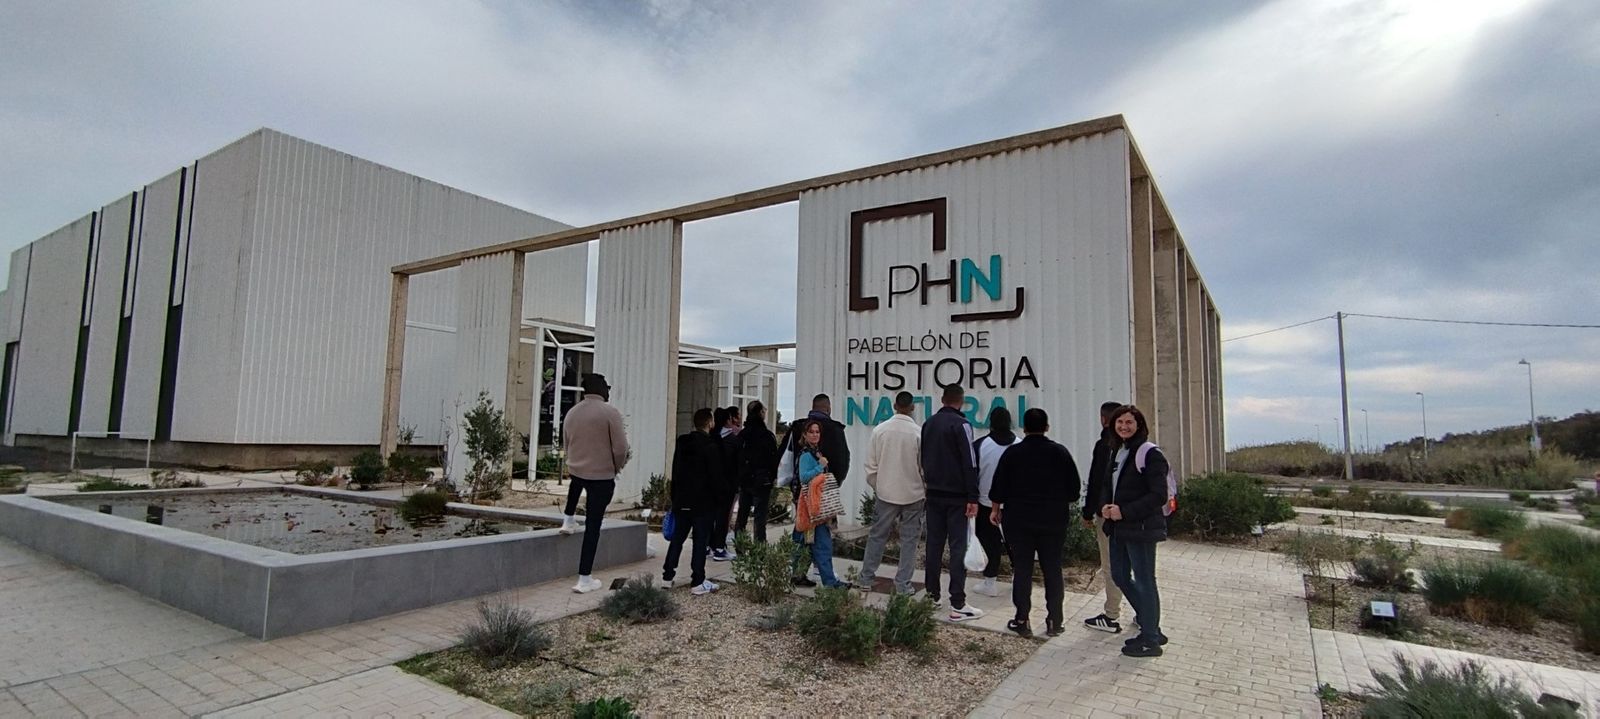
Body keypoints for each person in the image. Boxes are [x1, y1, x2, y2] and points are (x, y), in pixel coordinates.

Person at [988, 408, 1081, 637]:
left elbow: (998, 488)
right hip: (1053, 521)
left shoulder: (1012, 454)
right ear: (1047, 427)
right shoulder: (1060, 453)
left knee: (1022, 569)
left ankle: (1022, 619)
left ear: (1024, 428)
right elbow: (1074, 492)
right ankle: (1055, 620)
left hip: (1019, 521)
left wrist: (995, 509)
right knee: (1052, 568)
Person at [1101, 404, 1170, 657]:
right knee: (1119, 575)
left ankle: (1150, 638)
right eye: (1120, 422)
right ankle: (1150, 624)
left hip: (1140, 528)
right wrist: (1106, 507)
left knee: (1145, 580)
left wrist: (1125, 511)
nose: (1124, 427)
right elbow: (1110, 486)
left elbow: (1159, 495)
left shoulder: (1149, 454)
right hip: (1119, 528)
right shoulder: (1118, 451)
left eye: (1129, 422)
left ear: (1139, 425)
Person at [560, 373, 631, 594]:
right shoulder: (610, 413)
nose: (609, 391)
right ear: (601, 389)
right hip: (601, 476)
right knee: (593, 527)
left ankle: (568, 519)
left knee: (575, 487)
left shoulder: (572, 412)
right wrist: (616, 467)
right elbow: (621, 448)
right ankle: (584, 578)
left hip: (577, 471)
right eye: (607, 387)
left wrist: (573, 463)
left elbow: (566, 441)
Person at [921, 383, 984, 622]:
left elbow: (922, 457)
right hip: (957, 496)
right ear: (961, 401)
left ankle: (931, 596)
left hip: (934, 494)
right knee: (958, 547)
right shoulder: (962, 425)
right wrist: (973, 496)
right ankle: (957, 602)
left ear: (942, 399)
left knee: (933, 546)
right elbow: (970, 461)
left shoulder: (928, 423)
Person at [859, 391, 925, 595]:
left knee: (877, 536)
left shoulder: (880, 430)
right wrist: (924, 488)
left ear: (894, 406)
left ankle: (866, 578)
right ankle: (903, 584)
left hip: (886, 492)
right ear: (912, 407)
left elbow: (871, 465)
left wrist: (878, 486)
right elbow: (923, 467)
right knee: (910, 540)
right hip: (913, 493)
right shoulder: (918, 433)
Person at [781, 394, 851, 587]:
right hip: (816, 498)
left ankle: (797, 574)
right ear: (828, 409)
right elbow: (843, 462)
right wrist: (829, 481)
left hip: (802, 496)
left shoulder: (796, 428)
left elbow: (784, 458)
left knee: (803, 536)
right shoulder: (833, 433)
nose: (814, 434)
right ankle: (829, 580)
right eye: (811, 432)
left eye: (816, 432)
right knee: (821, 540)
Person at [662, 408, 721, 595]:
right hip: (702, 502)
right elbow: (714, 476)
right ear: (709, 423)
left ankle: (667, 576)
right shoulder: (710, 446)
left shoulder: (682, 443)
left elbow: (675, 470)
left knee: (677, 539)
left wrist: (674, 496)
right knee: (699, 540)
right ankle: (698, 580)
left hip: (682, 499)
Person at [1081, 401, 1128, 633]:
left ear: (1103, 419)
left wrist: (1088, 511)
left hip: (1107, 513)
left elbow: (1096, 480)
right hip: (1131, 515)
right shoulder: (1133, 446)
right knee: (1135, 565)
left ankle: (1111, 615)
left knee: (1111, 564)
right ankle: (1144, 612)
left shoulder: (1105, 445)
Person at [972, 407, 1018, 598]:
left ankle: (990, 582)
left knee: (990, 543)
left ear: (990, 423)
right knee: (1016, 543)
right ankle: (1019, 579)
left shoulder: (980, 445)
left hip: (986, 502)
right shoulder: (1020, 444)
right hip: (1014, 504)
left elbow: (972, 474)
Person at [735, 400, 779, 543]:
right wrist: (772, 476)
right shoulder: (767, 436)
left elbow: (736, 457)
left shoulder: (742, 435)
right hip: (762, 480)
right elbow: (774, 459)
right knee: (760, 518)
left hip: (745, 479)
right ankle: (759, 549)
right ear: (761, 413)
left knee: (742, 515)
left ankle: (740, 547)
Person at [710, 406, 743, 561]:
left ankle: (708, 545)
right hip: (727, 484)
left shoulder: (711, 437)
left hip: (711, 483)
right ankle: (719, 548)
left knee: (710, 515)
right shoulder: (733, 440)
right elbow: (737, 464)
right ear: (728, 420)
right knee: (723, 516)